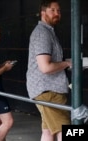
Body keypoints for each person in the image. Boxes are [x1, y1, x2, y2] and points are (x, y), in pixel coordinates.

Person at [26, 1, 72, 141]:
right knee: (70, 132)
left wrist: (65, 63)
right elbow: (45, 67)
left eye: (59, 10)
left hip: (47, 90)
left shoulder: (48, 32)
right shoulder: (42, 33)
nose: (57, 13)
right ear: (43, 12)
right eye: (53, 10)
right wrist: (67, 63)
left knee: (48, 131)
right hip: (48, 91)